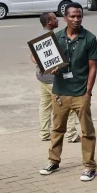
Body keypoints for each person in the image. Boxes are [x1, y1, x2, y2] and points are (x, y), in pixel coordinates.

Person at [39, 4, 97, 182]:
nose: (76, 19)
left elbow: (93, 67)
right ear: (65, 18)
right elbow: (44, 61)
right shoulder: (56, 38)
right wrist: (51, 69)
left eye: (79, 16)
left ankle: (89, 166)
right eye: (72, 16)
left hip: (80, 92)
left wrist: (88, 91)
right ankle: (53, 161)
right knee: (57, 129)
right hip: (60, 92)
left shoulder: (89, 38)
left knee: (87, 131)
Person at [34, 12, 80, 143]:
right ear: (49, 22)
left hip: (42, 77)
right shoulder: (53, 38)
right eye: (54, 18)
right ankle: (71, 135)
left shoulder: (38, 37)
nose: (57, 20)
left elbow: (33, 57)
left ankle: (44, 133)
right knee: (69, 107)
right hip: (53, 80)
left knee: (45, 105)